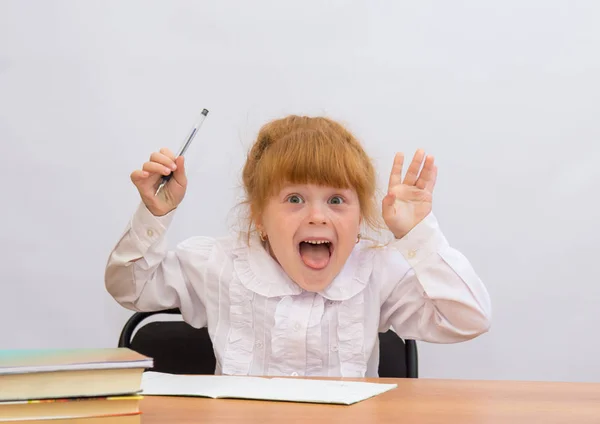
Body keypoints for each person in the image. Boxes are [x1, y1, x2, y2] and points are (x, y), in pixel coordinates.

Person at [105, 115, 491, 377]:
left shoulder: (376, 269)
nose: (318, 217)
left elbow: (469, 318)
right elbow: (129, 287)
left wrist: (418, 236)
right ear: (259, 217)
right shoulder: (218, 263)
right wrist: (152, 215)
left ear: (360, 219)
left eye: (337, 201)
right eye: (294, 199)